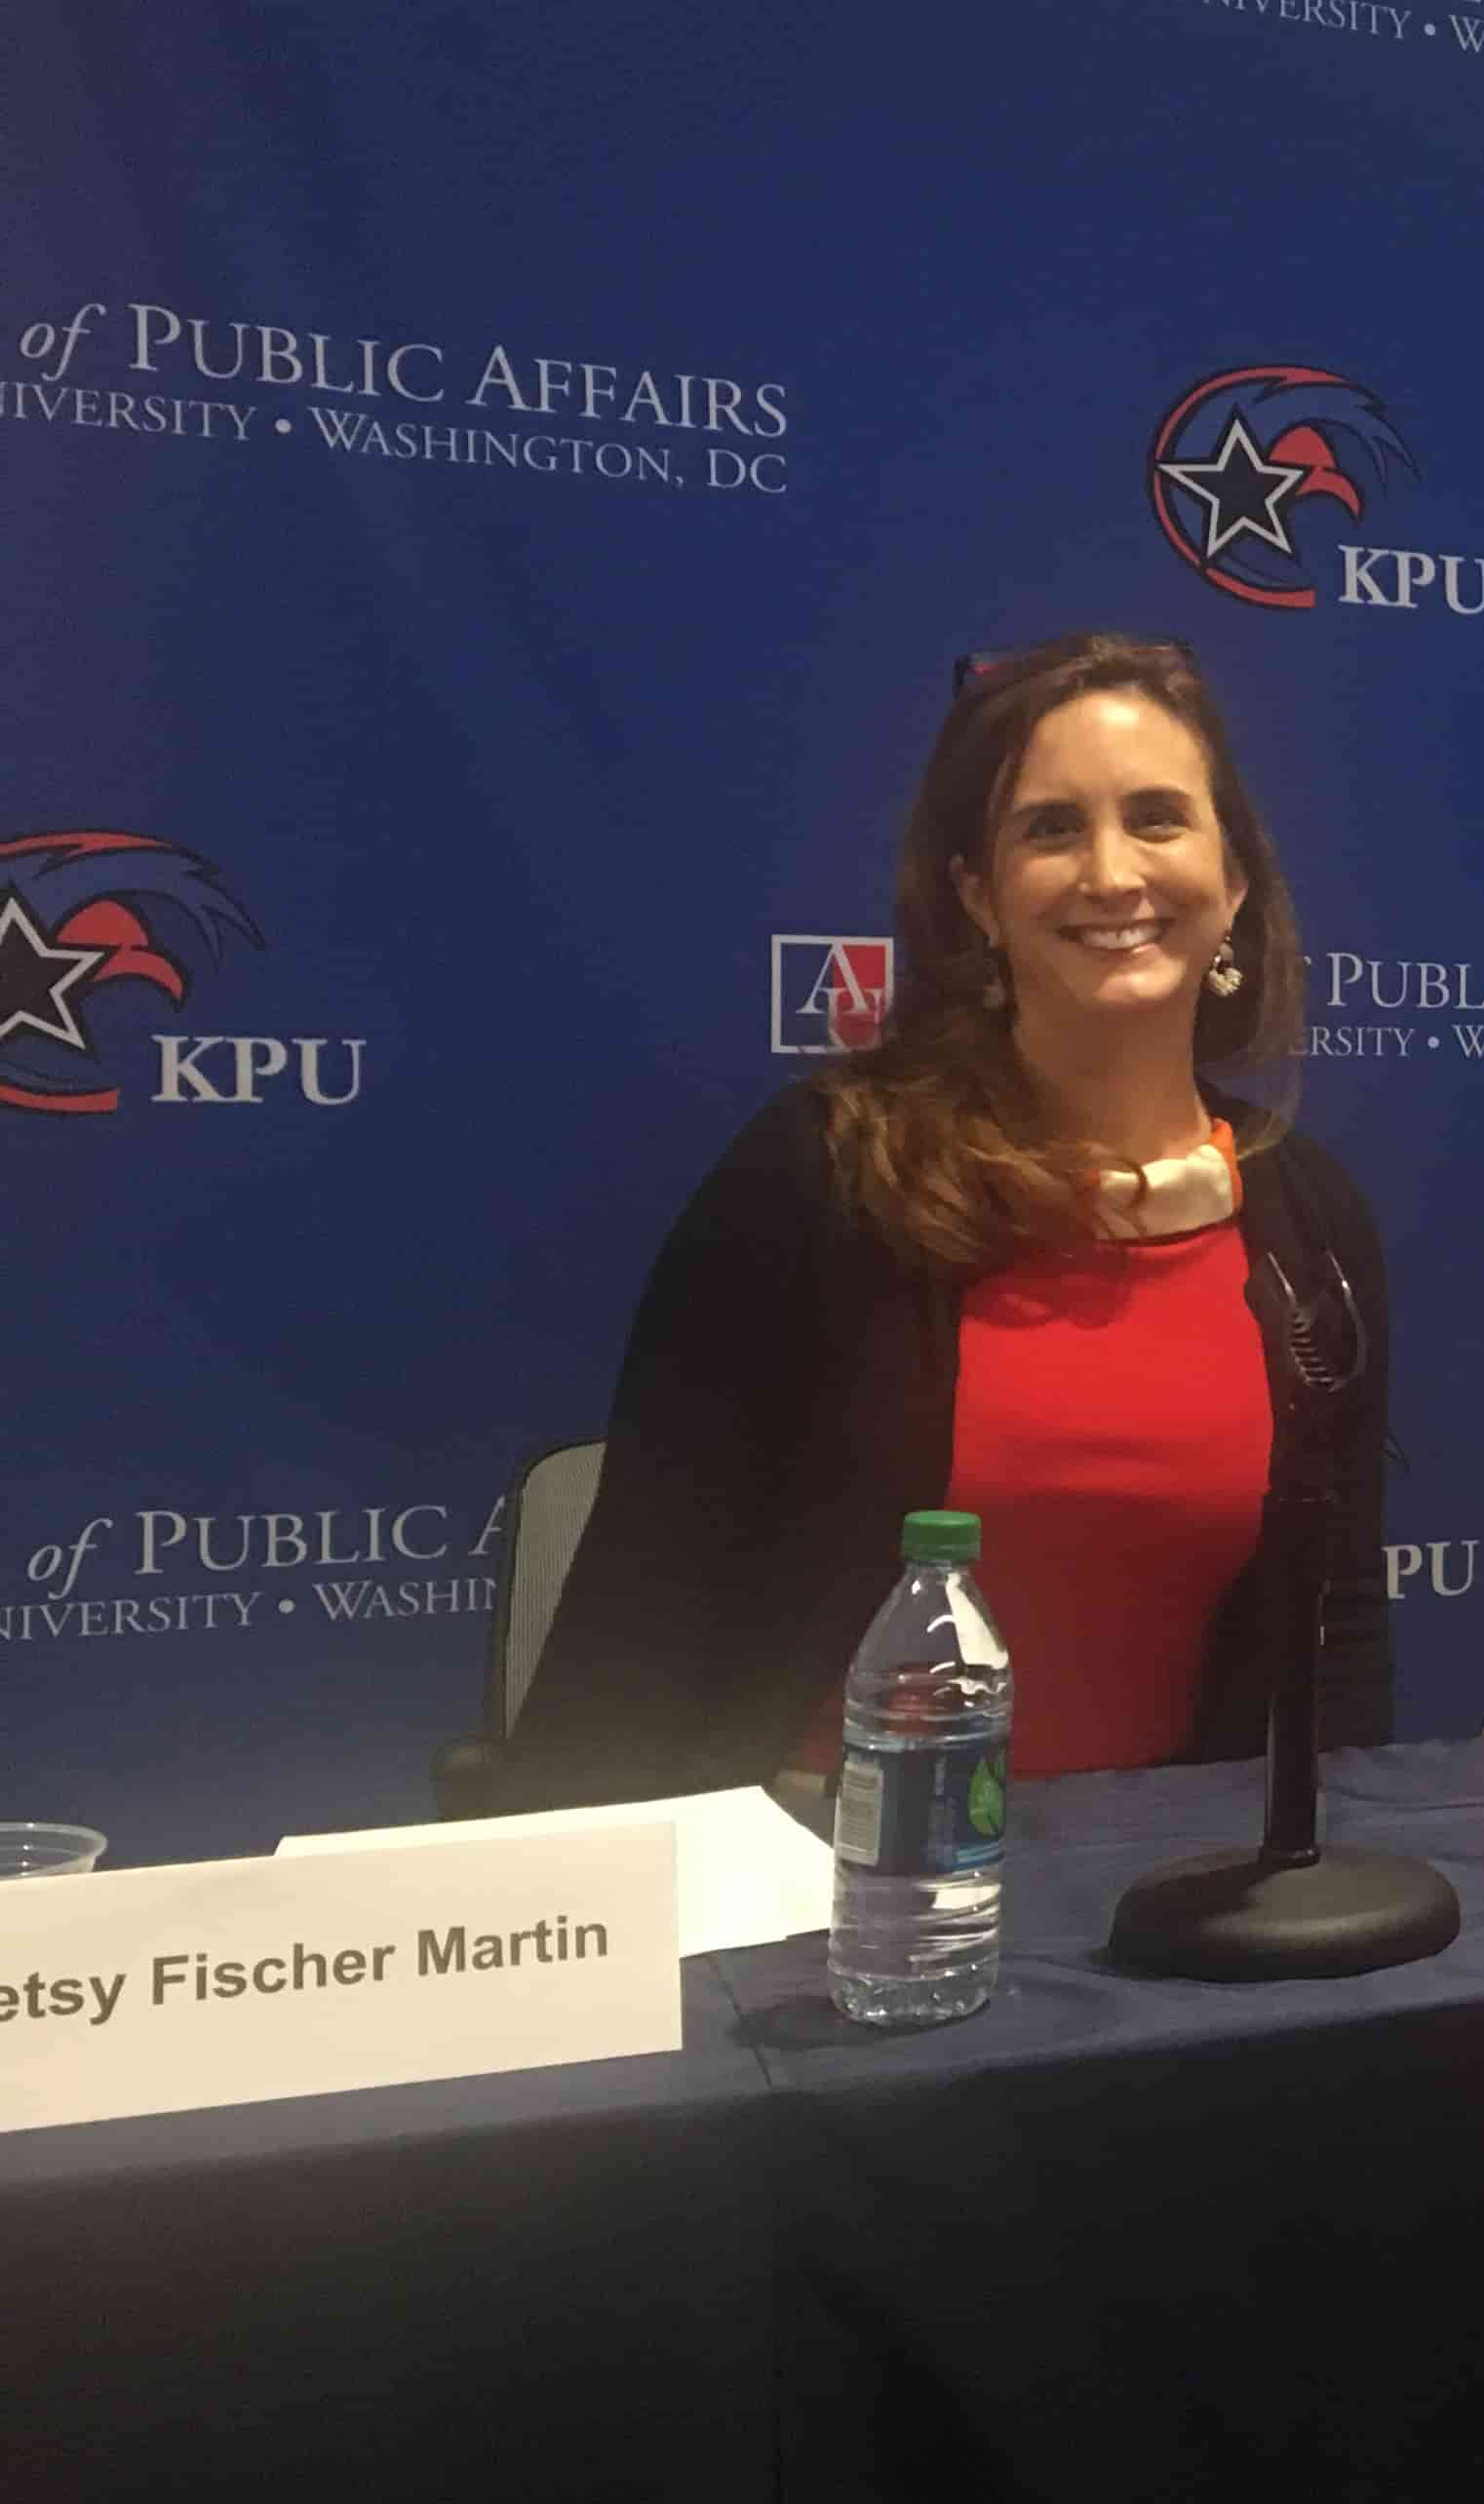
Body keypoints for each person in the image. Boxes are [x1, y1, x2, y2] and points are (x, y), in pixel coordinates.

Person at [471, 634, 1390, 1811]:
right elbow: (648, 1597)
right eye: (1051, 828)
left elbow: (1339, 1624)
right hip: (824, 1898)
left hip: (1168, 1907)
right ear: (978, 895)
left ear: (1236, 878)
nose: (1112, 874)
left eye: (1159, 818)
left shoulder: (1309, 1218)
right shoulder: (824, 1174)